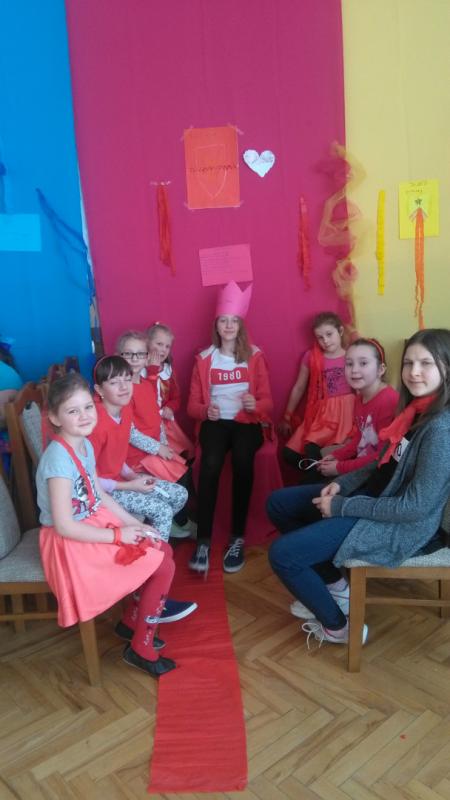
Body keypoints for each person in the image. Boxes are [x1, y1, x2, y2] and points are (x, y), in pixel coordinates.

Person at [268, 328, 450, 646]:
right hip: (372, 497)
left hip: (397, 523)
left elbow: (414, 508)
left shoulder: (440, 430)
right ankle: (337, 587)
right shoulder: (415, 411)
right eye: (409, 363)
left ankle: (338, 629)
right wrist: (340, 484)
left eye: (426, 363)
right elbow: (380, 462)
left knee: (283, 555)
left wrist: (342, 506)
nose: (414, 372)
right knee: (279, 503)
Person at [36, 372, 178, 676]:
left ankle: (131, 622)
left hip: (92, 522)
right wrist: (117, 535)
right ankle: (141, 647)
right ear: (55, 418)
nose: (85, 416)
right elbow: (64, 526)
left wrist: (134, 524)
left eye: (88, 407)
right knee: (162, 565)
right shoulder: (57, 461)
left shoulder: (84, 445)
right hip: (69, 542)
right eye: (73, 411)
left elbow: (97, 494)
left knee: (160, 547)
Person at [187, 281, 273, 574]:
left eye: (233, 320)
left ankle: (237, 538)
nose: (228, 325)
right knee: (210, 463)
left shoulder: (255, 356)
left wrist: (255, 404)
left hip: (246, 423)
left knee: (242, 461)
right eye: (223, 320)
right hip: (215, 423)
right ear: (216, 325)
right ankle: (203, 540)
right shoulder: (204, 359)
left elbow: (268, 402)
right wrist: (204, 410)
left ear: (240, 325)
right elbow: (192, 406)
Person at [117, 330, 195, 539]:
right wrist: (157, 448)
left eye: (140, 354)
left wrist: (163, 443)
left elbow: (155, 418)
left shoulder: (147, 385)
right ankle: (172, 521)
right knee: (181, 475)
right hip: (137, 458)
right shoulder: (122, 390)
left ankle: (173, 519)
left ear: (146, 357)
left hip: (151, 449)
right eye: (128, 354)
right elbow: (130, 433)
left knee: (183, 469)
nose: (135, 359)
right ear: (119, 356)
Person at [279, 311, 354, 471]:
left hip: (345, 413)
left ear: (340, 331)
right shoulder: (311, 357)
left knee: (322, 452)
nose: (325, 341)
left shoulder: (351, 356)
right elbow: (299, 387)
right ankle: (317, 476)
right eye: (320, 337)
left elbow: (361, 388)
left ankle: (320, 478)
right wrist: (287, 416)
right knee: (289, 454)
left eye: (329, 334)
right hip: (320, 414)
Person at [316, 338, 399, 477]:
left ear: (380, 369)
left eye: (363, 363)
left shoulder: (389, 400)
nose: (354, 370)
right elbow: (361, 438)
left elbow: (382, 455)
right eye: (349, 364)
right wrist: (337, 455)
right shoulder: (359, 398)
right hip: (361, 466)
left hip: (375, 474)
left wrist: (340, 467)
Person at [146, 322, 194, 459]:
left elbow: (176, 397)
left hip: (167, 423)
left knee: (183, 454)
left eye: (167, 346)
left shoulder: (168, 371)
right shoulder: (140, 369)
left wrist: (170, 407)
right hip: (148, 425)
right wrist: (152, 370)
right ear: (147, 343)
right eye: (159, 344)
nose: (163, 349)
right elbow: (147, 399)